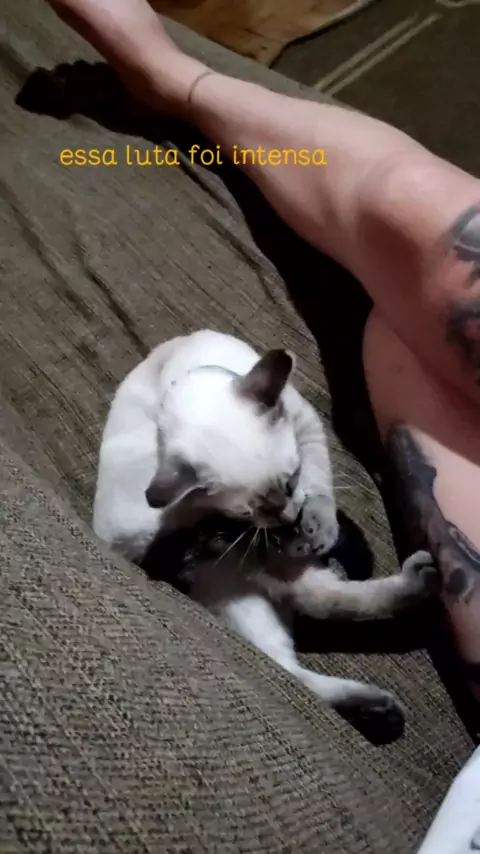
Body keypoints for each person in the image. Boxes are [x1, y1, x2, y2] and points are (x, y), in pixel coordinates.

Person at [48, 0, 480, 706]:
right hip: (184, 527)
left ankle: (174, 80)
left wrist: (314, 494)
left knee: (398, 311)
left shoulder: (248, 395)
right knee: (400, 315)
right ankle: (173, 79)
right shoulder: (186, 458)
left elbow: (298, 429)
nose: (281, 509)